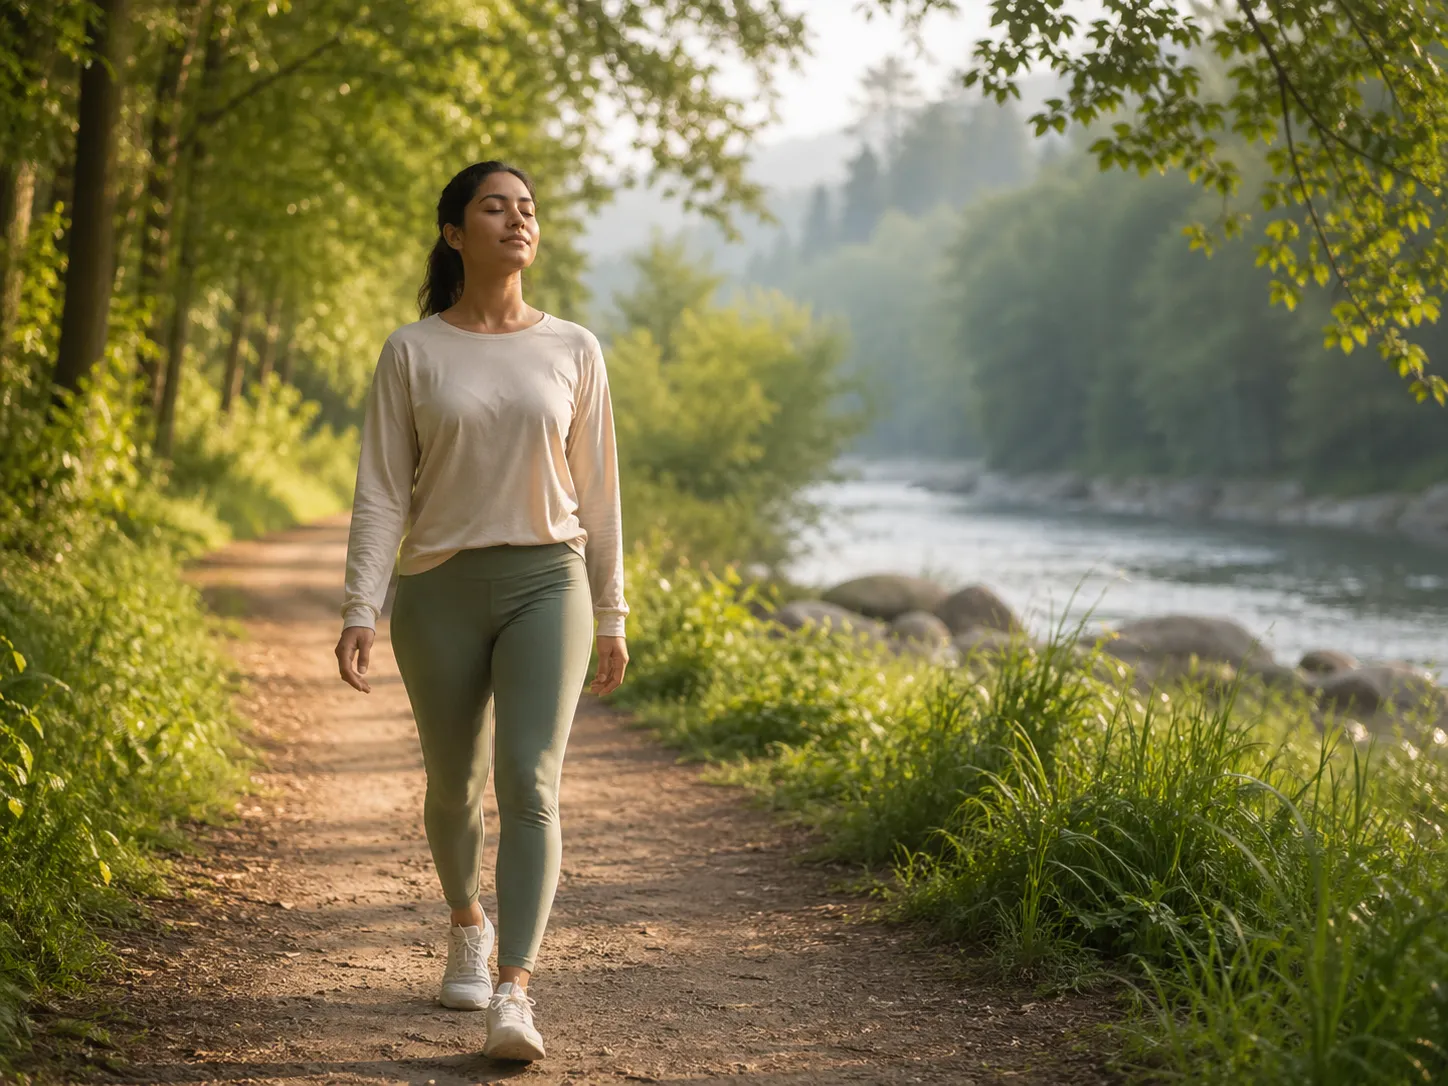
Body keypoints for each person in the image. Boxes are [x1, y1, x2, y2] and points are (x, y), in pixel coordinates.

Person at [333, 160, 629, 1063]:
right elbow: (382, 491)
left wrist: (611, 610)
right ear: (456, 233)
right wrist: (361, 604)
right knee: (452, 785)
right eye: (495, 207)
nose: (517, 218)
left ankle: (516, 991)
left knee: (531, 783)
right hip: (439, 589)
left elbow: (602, 491)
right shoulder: (412, 351)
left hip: (550, 580)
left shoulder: (574, 348)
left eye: (528, 207)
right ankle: (468, 922)